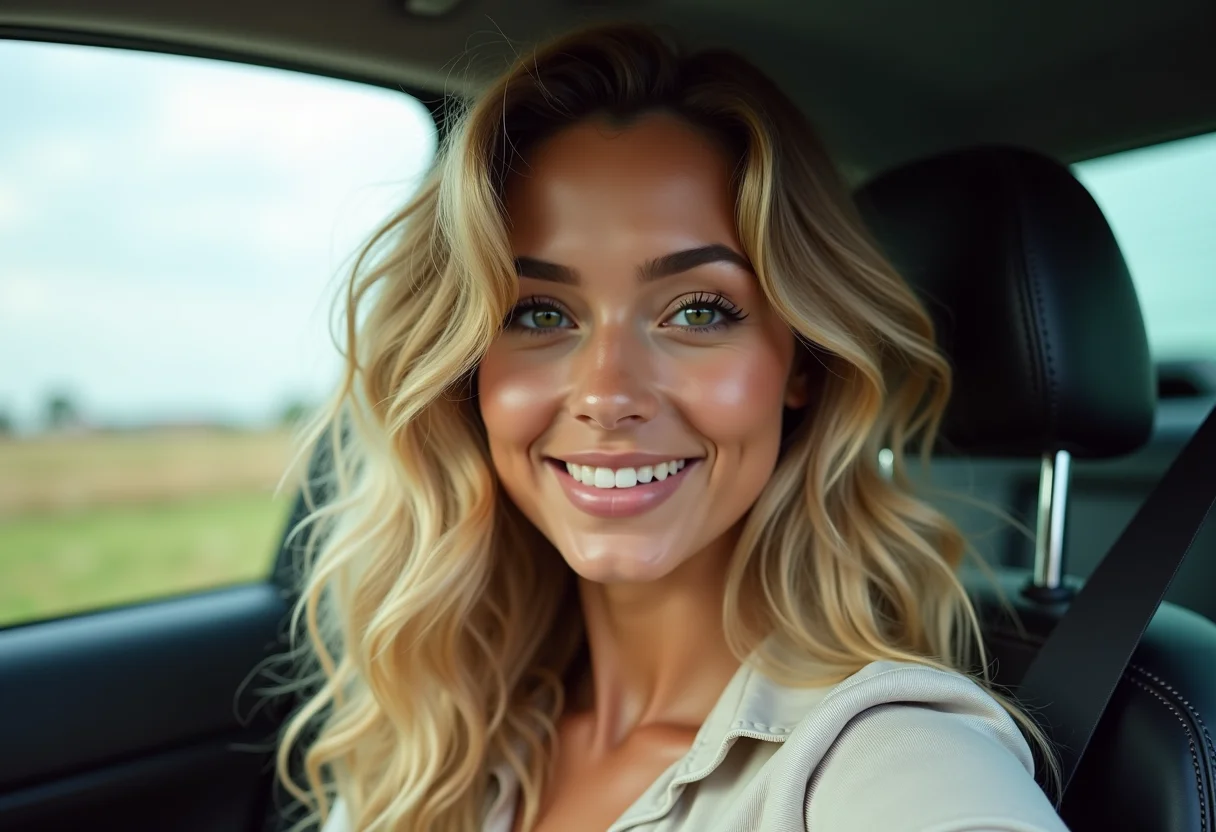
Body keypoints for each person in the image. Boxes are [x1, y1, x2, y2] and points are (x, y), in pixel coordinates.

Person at [274, 21, 1070, 832]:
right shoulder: (443, 741)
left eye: (697, 310)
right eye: (540, 312)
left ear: (801, 362)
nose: (608, 392)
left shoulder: (886, 758)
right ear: (467, 370)